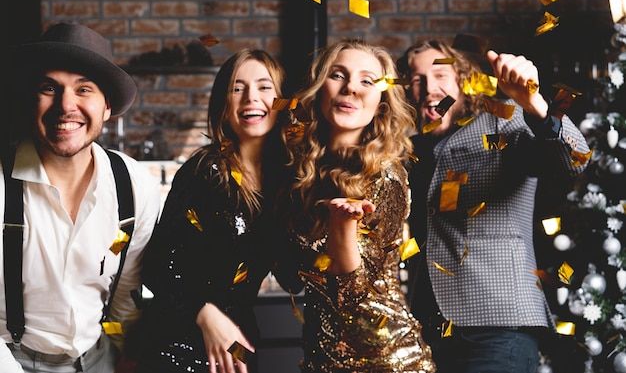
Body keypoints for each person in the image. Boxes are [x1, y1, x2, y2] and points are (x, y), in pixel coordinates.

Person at [396, 39, 591, 373]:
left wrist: (534, 103)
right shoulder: (406, 152)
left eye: (440, 74)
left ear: (462, 80)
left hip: (498, 327)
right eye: (416, 80)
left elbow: (574, 159)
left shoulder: (505, 121)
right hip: (428, 330)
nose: (429, 88)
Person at [0, 22, 162, 372]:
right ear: (31, 100)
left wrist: (124, 357)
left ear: (107, 107)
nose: (66, 106)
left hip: (99, 359)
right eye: (49, 88)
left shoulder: (135, 188)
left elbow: (123, 301)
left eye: (83, 89)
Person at [275, 39, 436, 373]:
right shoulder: (300, 172)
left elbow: (351, 294)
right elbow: (290, 277)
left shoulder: (386, 175)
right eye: (338, 75)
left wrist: (342, 226)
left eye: (367, 81)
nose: (351, 88)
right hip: (322, 358)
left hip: (386, 359)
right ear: (321, 89)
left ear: (380, 103)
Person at [130, 48, 289, 373]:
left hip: (238, 344)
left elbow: (292, 278)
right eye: (237, 88)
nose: (251, 98)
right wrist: (206, 314)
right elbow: (156, 266)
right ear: (223, 105)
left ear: (282, 101)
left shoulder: (285, 181)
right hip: (176, 344)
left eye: (264, 87)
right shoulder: (205, 170)